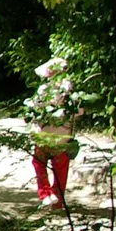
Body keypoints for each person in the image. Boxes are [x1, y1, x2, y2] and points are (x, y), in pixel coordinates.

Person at [25, 56, 82, 209]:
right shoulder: (70, 90)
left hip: (44, 135)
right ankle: (58, 202)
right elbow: (79, 111)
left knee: (38, 162)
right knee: (61, 168)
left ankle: (45, 193)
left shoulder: (44, 90)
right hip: (64, 135)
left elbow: (35, 109)